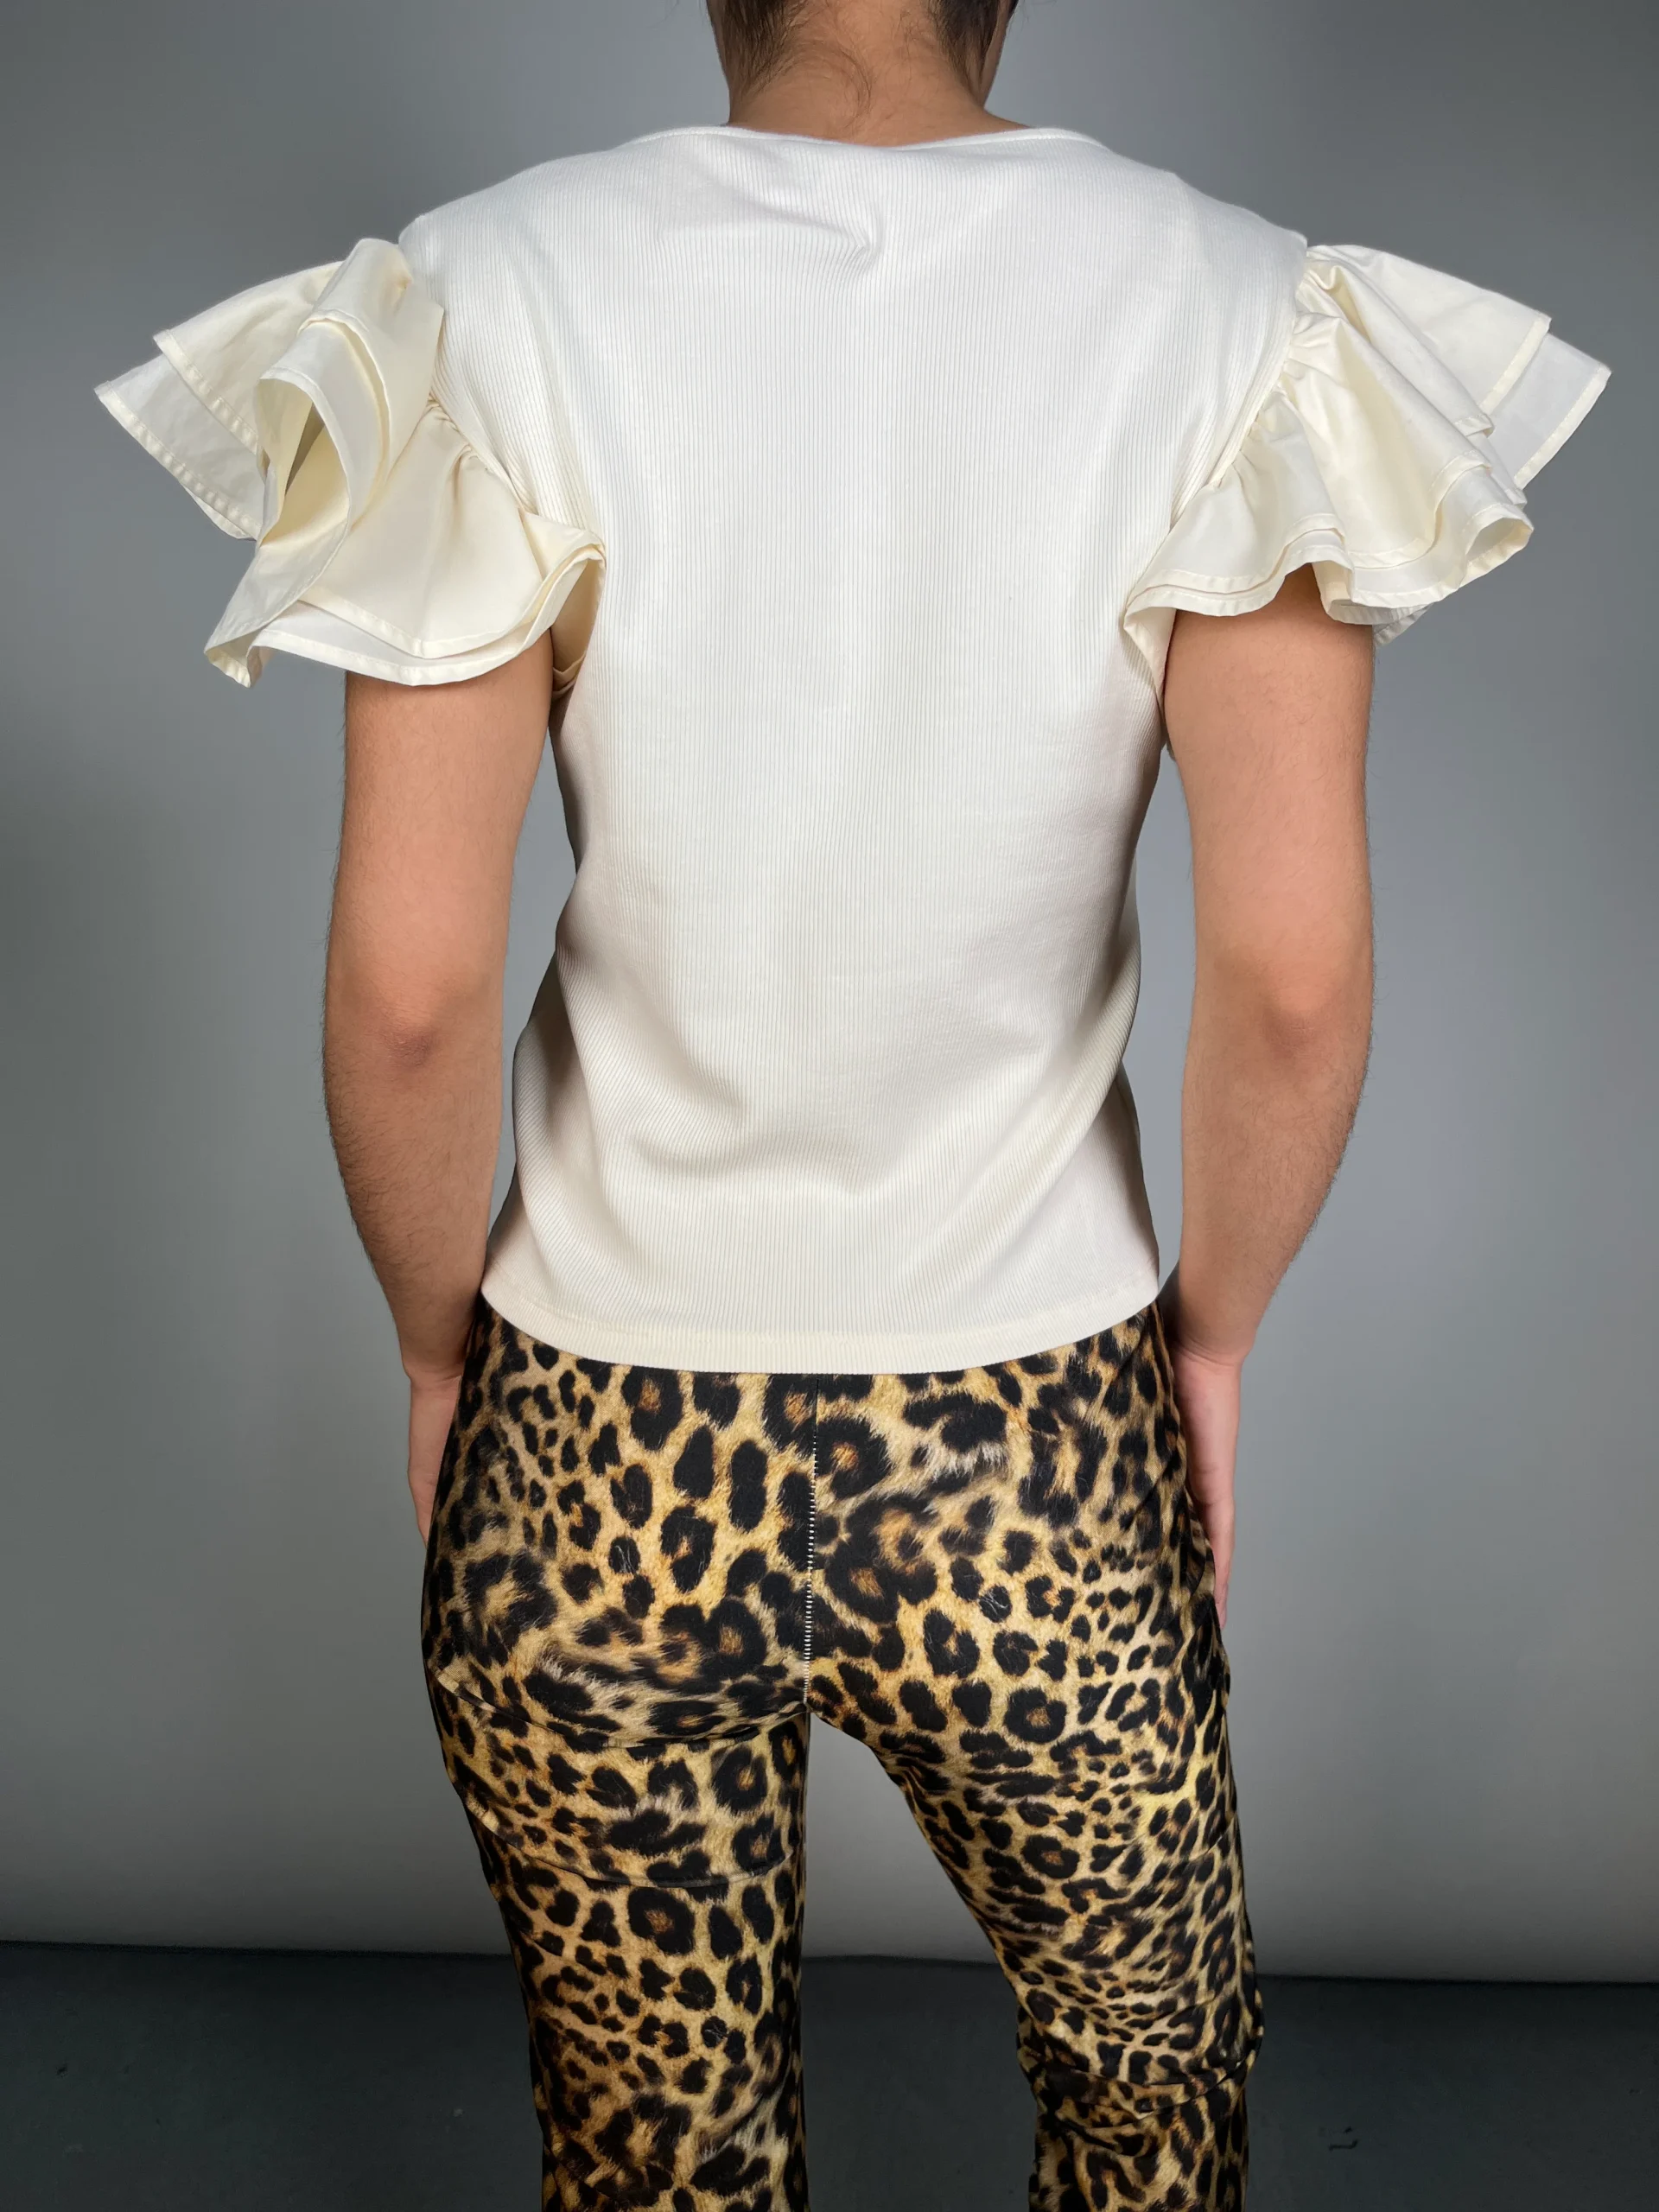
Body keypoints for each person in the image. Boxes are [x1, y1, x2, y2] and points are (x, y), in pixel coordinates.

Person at [94, 1, 1608, 2203]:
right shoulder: (1242, 317)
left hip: (597, 1417)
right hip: (1034, 1424)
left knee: (663, 2159)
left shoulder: (477, 298)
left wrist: (441, 1353)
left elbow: (412, 991)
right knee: (1151, 2099)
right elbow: (1292, 979)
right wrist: (1210, 1341)